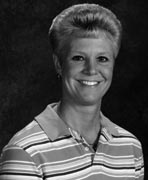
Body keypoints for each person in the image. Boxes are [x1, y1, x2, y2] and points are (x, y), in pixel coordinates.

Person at [0, 3, 144, 180]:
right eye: (78, 58)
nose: (91, 70)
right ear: (59, 64)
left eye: (102, 59)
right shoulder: (25, 152)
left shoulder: (130, 147)